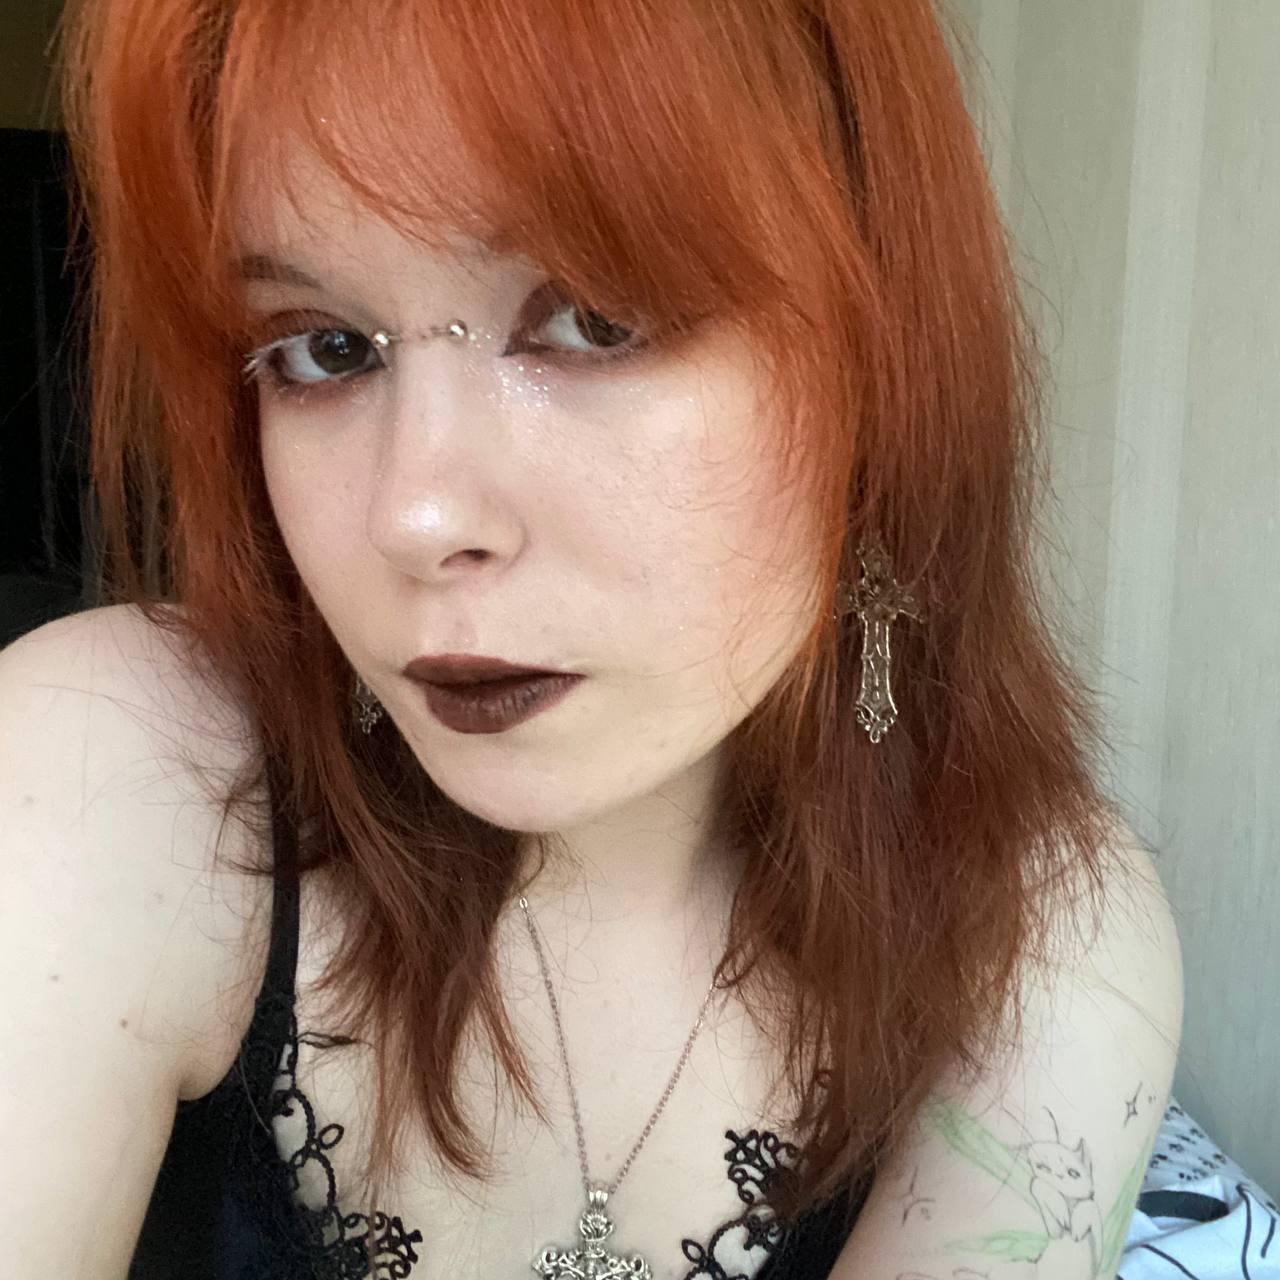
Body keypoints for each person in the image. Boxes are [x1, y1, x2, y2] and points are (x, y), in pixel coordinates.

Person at [0, 1, 1183, 1277]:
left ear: (884, 375)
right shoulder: (113, 771)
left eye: (593, 319)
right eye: (325, 349)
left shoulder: (1039, 930)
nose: (414, 518)